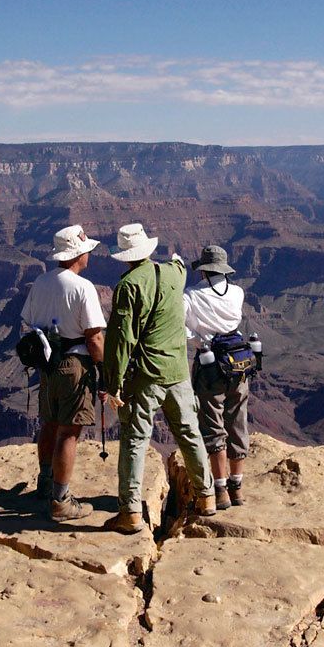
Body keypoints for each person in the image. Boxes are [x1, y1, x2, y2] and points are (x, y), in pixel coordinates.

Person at [100, 223, 215, 533]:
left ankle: (131, 513)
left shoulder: (128, 286)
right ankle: (207, 497)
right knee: (189, 433)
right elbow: (179, 264)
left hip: (146, 376)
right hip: (178, 372)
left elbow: (121, 339)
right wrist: (176, 258)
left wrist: (112, 384)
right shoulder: (174, 274)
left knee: (135, 440)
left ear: (124, 256)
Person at [20, 224, 106, 521]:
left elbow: (28, 321)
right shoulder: (83, 288)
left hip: (47, 364)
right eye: (86, 251)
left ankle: (44, 484)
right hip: (74, 366)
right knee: (69, 431)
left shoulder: (41, 282)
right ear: (78, 254)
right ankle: (61, 501)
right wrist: (104, 369)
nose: (89, 256)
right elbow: (94, 337)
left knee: (50, 423)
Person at [183, 245, 251, 511]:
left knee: (213, 426)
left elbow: (184, 327)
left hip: (210, 367)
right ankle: (238, 487)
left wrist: (198, 336)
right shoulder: (237, 292)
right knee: (237, 422)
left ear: (203, 269)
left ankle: (220, 490)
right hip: (239, 364)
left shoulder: (191, 295)